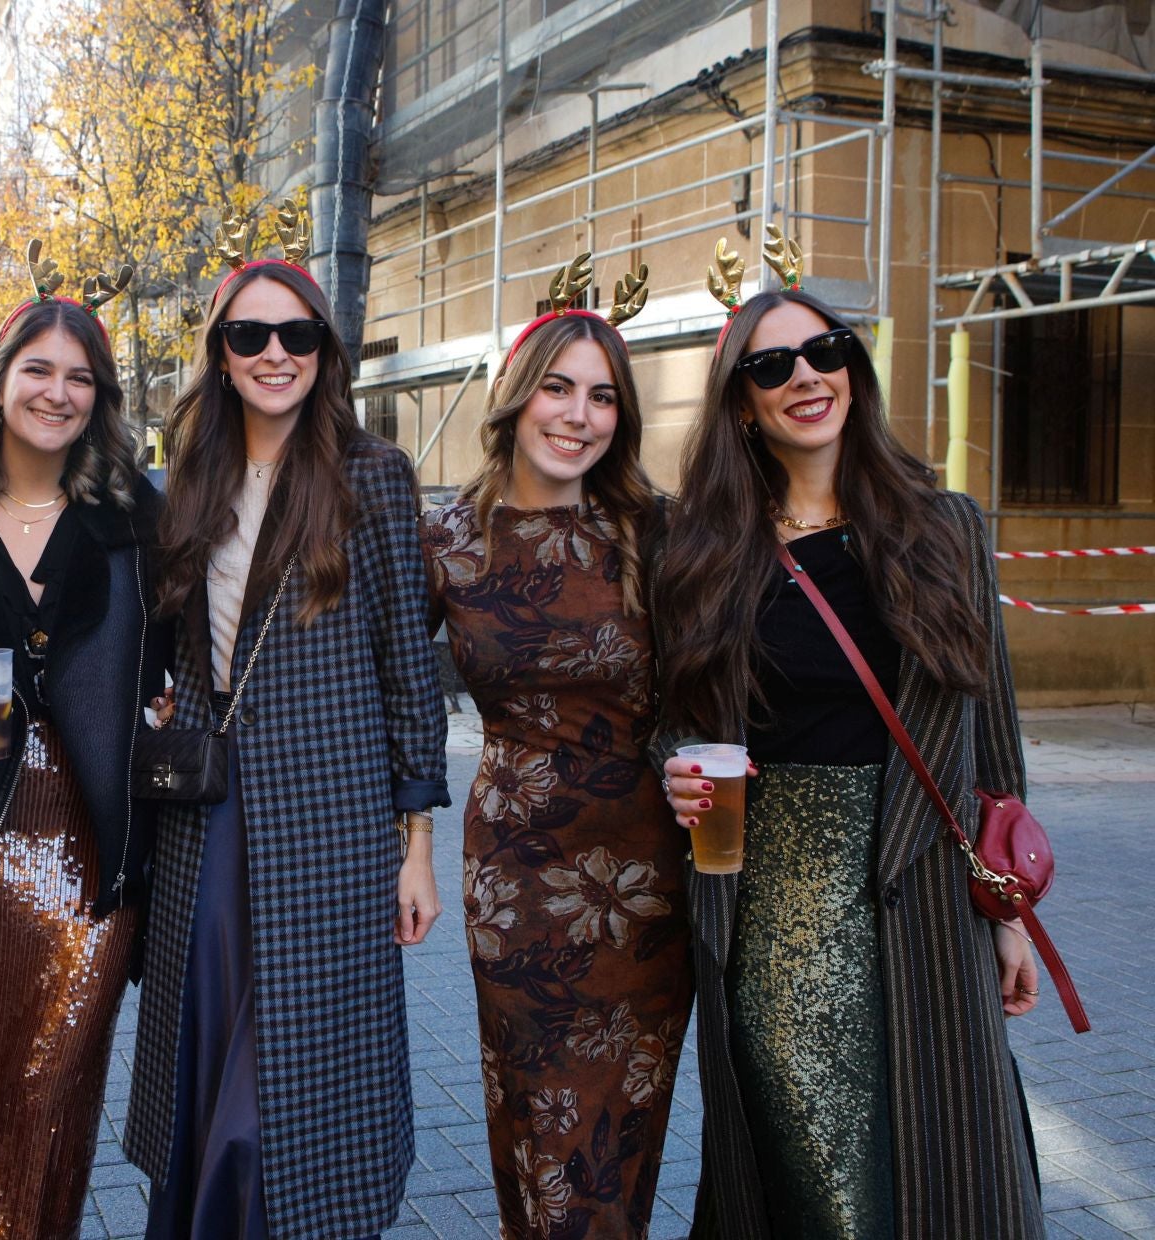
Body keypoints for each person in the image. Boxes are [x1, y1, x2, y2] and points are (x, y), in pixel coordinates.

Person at [654, 239, 1045, 1239]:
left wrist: (1010, 912)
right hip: (777, 914)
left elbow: (991, 734)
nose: (806, 377)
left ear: (852, 370)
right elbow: (678, 721)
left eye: (824, 351)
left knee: (945, 1164)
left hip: (925, 904)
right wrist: (675, 776)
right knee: (816, 1181)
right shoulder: (706, 551)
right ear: (743, 403)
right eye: (772, 365)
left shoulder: (944, 527)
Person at [125, 197, 449, 1240]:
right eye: (249, 335)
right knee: (211, 1047)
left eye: (296, 334)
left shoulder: (372, 478)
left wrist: (416, 843)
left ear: (324, 350)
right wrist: (168, 699)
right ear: (220, 354)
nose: (275, 353)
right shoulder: (187, 484)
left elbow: (411, 666)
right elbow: (173, 642)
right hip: (208, 815)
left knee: (304, 1073)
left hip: (333, 817)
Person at [0, 258, 171, 1239]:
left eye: (80, 377)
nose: (58, 392)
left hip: (95, 856)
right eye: (38, 369)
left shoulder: (134, 518)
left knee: (57, 1101)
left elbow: (182, 653)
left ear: (99, 399)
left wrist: (171, 701)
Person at [422, 262, 692, 1238]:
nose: (579, 414)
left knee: (619, 1137)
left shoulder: (652, 532)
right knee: (542, 1132)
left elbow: (722, 675)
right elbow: (377, 685)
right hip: (521, 883)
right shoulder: (450, 538)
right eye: (559, 386)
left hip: (649, 884)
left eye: (603, 396)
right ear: (516, 395)